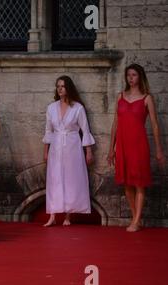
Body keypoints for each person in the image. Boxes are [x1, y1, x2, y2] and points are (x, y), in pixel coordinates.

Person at [107, 64, 165, 232]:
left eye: (134, 75)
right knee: (127, 183)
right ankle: (136, 218)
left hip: (139, 145)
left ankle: (136, 220)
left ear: (140, 77)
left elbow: (154, 125)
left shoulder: (147, 98)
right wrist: (111, 149)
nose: (131, 78)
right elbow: (115, 124)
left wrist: (159, 150)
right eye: (128, 75)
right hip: (123, 145)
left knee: (139, 183)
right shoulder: (120, 97)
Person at [43, 75, 95, 227]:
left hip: (72, 146)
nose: (60, 89)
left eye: (63, 86)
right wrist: (45, 151)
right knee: (54, 178)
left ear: (68, 88)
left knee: (71, 179)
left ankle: (68, 215)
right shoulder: (51, 108)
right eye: (58, 86)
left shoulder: (77, 108)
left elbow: (85, 130)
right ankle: (52, 215)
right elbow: (48, 130)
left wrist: (89, 151)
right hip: (56, 145)